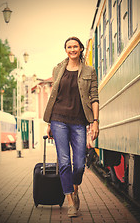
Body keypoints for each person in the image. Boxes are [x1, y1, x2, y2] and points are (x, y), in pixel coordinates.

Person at [43, 36, 99, 217]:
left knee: (80, 163)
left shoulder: (90, 71)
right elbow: (54, 96)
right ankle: (70, 202)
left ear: (81, 49)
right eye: (69, 47)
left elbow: (94, 98)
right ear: (65, 49)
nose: (72, 49)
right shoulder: (58, 69)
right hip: (58, 119)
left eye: (75, 46)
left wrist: (95, 121)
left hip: (79, 122)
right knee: (65, 161)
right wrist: (50, 123)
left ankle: (75, 190)